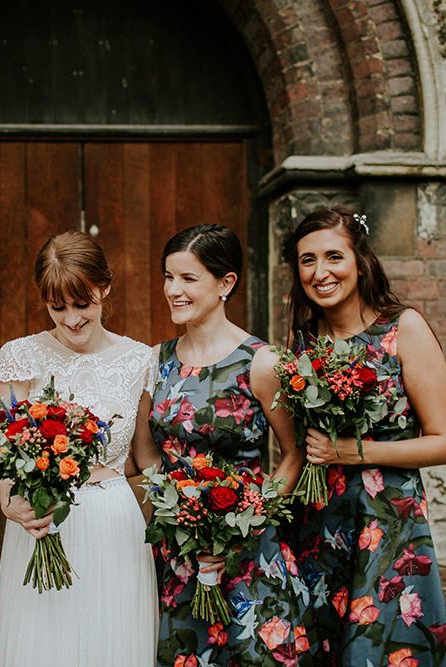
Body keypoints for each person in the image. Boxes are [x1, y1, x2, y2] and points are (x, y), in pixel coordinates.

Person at [149, 224, 317, 666]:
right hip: (180, 554)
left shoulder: (261, 363)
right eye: (169, 277)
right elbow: (149, 459)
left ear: (226, 283)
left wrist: (242, 523)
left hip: (248, 552)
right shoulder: (157, 361)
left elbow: (292, 456)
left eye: (188, 278)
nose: (173, 290)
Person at [0, 231, 159, 667]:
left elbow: (144, 454)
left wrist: (190, 507)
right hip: (41, 523)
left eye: (82, 304)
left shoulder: (139, 360)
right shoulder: (20, 355)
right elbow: (0, 448)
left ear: (104, 287)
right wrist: (12, 502)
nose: (71, 319)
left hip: (115, 526)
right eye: (57, 307)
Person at [287, 207, 446, 665]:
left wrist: (355, 452)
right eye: (307, 260)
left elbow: (441, 438)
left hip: (387, 525)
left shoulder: (402, 330)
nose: (321, 272)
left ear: (360, 260)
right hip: (319, 526)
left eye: (334, 256)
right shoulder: (304, 341)